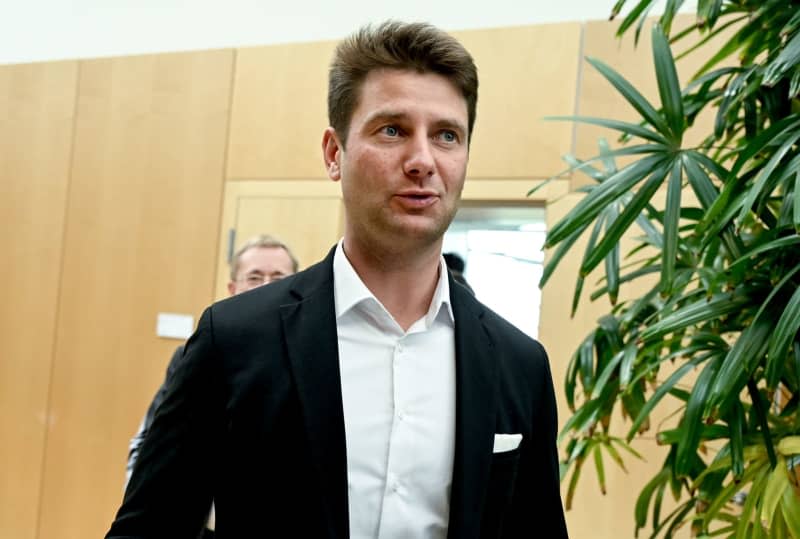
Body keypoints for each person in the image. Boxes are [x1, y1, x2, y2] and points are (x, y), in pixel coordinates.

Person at [107, 21, 567, 539]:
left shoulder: (518, 364)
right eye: (392, 129)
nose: (422, 161)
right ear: (334, 153)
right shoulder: (234, 340)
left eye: (446, 135)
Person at [124, 234, 298, 539]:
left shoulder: (311, 357)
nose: (267, 287)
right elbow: (148, 446)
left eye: (279, 278)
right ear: (232, 289)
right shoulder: (201, 353)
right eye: (254, 277)